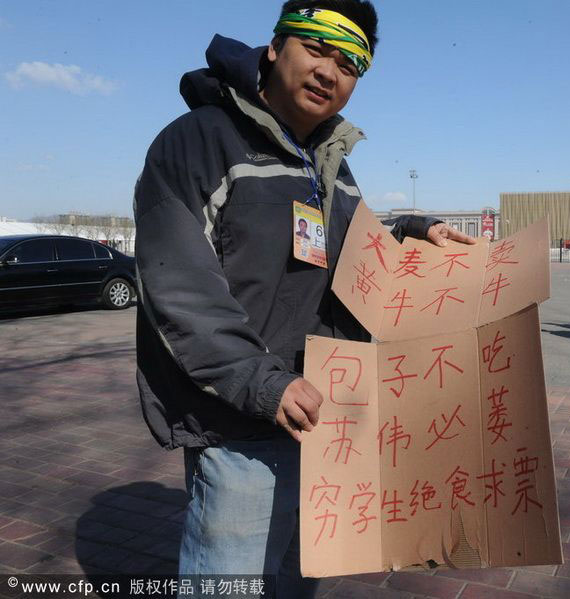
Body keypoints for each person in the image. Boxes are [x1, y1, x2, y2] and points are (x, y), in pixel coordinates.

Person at [133, 2, 475, 596]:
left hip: (326, 425)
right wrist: (265, 385)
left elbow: (357, 260)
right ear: (275, 47)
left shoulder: (334, 167)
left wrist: (416, 235)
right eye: (317, 48)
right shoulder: (198, 142)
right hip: (241, 430)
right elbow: (179, 286)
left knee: (296, 582)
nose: (329, 72)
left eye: (349, 64)